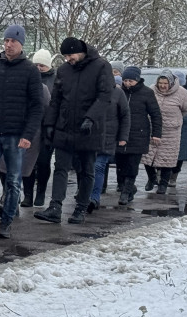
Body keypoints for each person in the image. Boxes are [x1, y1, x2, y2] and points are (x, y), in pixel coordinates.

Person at [34, 37, 114, 224]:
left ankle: (81, 208)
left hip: (89, 129)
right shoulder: (64, 70)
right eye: (65, 56)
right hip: (65, 127)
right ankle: (55, 207)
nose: (68, 59)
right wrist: (49, 124)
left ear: (81, 52)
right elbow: (56, 100)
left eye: (70, 55)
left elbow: (105, 96)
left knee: (86, 169)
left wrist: (91, 118)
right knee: (60, 167)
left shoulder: (101, 66)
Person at [0, 25, 43, 239]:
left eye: (13, 41)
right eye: (6, 40)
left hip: (16, 136)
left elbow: (36, 106)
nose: (9, 44)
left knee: (13, 180)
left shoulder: (31, 71)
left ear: (21, 43)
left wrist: (27, 135)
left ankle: (6, 222)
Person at [141, 70, 187, 195]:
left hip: (171, 130)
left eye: (165, 83)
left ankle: (163, 183)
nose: (162, 86)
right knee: (147, 156)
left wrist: (174, 120)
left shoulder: (182, 93)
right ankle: (152, 178)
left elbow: (186, 109)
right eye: (160, 83)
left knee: (167, 158)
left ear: (171, 83)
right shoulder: (151, 90)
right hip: (153, 127)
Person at [116, 66, 162, 204]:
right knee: (120, 164)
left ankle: (125, 192)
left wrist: (156, 134)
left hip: (139, 133)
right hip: (120, 133)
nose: (127, 83)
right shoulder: (119, 92)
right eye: (125, 80)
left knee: (132, 164)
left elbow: (155, 114)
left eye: (130, 81)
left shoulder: (147, 93)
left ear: (137, 80)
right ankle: (128, 188)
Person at [89, 75, 129, 211]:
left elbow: (125, 115)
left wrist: (123, 137)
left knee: (99, 166)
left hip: (108, 136)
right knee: (86, 168)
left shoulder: (118, 93)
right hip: (89, 135)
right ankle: (85, 195)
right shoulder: (90, 90)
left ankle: (94, 198)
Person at [25, 48, 56, 207]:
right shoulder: (29, 77)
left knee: (43, 162)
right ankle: (28, 194)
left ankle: (41, 192)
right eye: (36, 64)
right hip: (31, 126)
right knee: (28, 162)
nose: (39, 68)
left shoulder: (56, 80)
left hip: (47, 126)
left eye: (42, 65)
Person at [170, 70, 187, 184]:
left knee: (180, 152)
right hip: (168, 126)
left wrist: (180, 119)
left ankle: (173, 176)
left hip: (184, 127)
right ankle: (161, 174)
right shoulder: (168, 91)